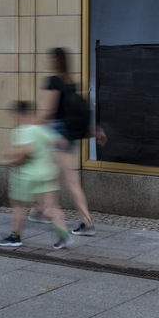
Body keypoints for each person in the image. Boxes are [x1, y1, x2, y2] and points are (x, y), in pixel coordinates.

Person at [32, 47, 105, 237]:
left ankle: (86, 222)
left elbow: (47, 111)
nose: (47, 61)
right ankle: (44, 210)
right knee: (53, 177)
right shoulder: (70, 82)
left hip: (57, 135)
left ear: (56, 60)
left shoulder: (54, 81)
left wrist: (31, 127)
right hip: (67, 136)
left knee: (68, 180)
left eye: (50, 58)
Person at [0, 100, 71, 249]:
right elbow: (61, 142)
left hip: (28, 176)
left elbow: (25, 152)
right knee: (49, 208)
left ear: (18, 115)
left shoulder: (22, 130)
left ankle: (15, 237)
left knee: (18, 206)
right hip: (49, 173)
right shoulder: (41, 128)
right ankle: (64, 235)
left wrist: (8, 161)